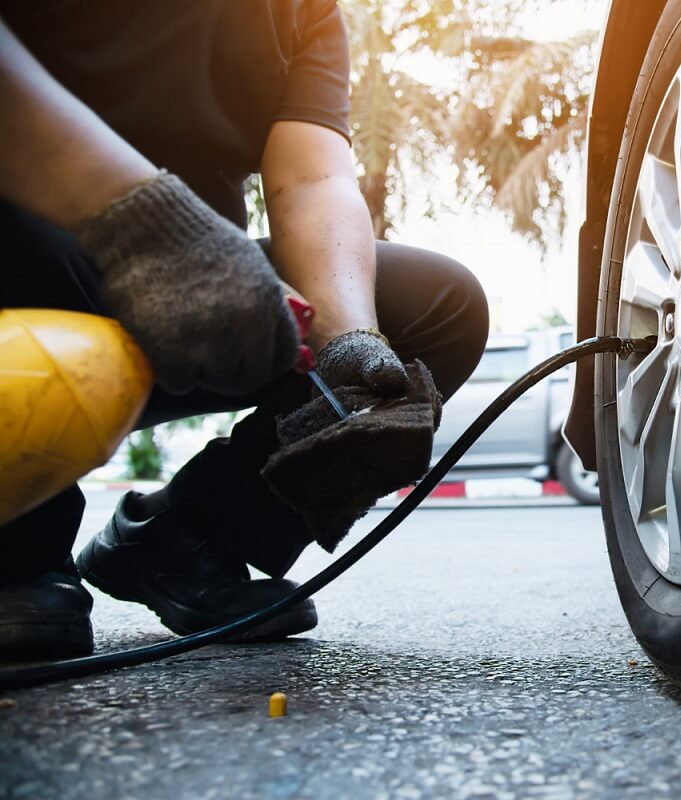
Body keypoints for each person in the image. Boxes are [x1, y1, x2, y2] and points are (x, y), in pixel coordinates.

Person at [0, 1, 489, 659]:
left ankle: (191, 538)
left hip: (194, 296)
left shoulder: (300, 12)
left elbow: (313, 177)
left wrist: (349, 342)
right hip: (30, 269)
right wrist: (145, 226)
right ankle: (19, 554)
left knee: (438, 308)